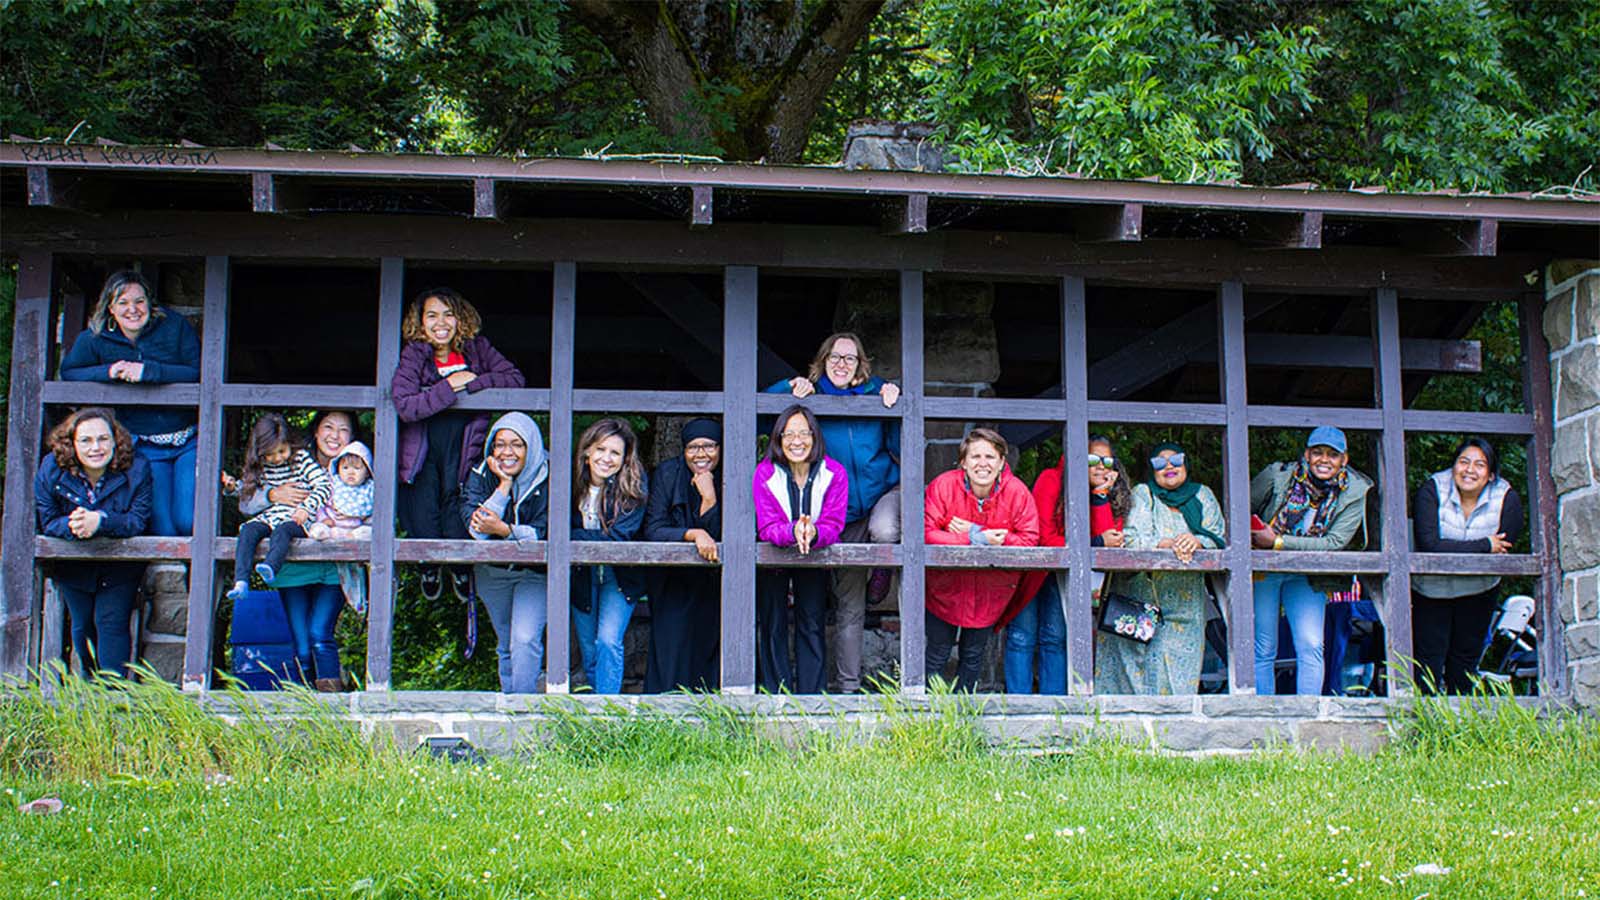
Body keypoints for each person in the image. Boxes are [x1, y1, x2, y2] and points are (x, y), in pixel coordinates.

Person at [767, 332, 901, 693]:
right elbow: (768, 415)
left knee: (886, 532)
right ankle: (848, 688)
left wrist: (895, 398)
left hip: (880, 496)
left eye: (850, 358)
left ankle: (883, 567)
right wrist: (788, 385)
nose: (842, 364)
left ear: (860, 364)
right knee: (849, 606)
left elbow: (900, 445)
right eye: (835, 358)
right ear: (823, 360)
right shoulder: (811, 396)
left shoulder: (876, 394)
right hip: (837, 513)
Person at [393, 287, 525, 604]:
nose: (441, 322)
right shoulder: (414, 353)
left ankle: (461, 568)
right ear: (420, 322)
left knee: (456, 503)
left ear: (460, 318)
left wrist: (473, 380)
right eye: (432, 315)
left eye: (448, 314)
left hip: (463, 444)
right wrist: (449, 386)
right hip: (422, 447)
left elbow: (514, 380)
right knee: (423, 507)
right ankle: (429, 564)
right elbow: (406, 405)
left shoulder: (477, 349)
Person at [59, 270, 201, 537]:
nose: (132, 309)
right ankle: (175, 575)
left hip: (187, 439)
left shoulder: (174, 325)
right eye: (122, 303)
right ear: (110, 308)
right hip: (143, 443)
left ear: (150, 303)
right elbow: (70, 372)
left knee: (187, 519)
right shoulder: (96, 337)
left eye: (139, 301)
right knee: (164, 527)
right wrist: (109, 371)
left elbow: (198, 371)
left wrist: (149, 371)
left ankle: (201, 575)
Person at [238, 410, 364, 690]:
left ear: (352, 437)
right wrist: (273, 494)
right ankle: (305, 702)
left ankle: (331, 700)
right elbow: (245, 502)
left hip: (335, 567)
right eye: (328, 427)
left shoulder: (361, 469)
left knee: (320, 634)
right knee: (302, 644)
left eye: (343, 430)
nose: (335, 435)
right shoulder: (289, 458)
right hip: (292, 565)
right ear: (316, 431)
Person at [1000, 434, 1131, 694]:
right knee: (1021, 637)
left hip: (1067, 576)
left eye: (1107, 460)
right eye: (1093, 458)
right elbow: (1044, 537)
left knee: (1056, 639)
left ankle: (1054, 709)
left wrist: (1100, 495)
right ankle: (1017, 705)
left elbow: (1109, 542)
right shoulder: (1051, 479)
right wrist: (1095, 541)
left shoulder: (1104, 493)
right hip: (1034, 571)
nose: (1100, 465)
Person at [1250, 426, 1373, 696]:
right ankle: (1261, 715)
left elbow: (1334, 543)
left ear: (1344, 460)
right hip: (1265, 569)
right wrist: (1255, 535)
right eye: (1318, 453)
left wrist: (1278, 542)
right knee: (1263, 645)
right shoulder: (1278, 476)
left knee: (1311, 644)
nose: (1324, 460)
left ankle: (1309, 716)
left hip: (1309, 575)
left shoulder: (1354, 492)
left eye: (1333, 455)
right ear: (1306, 454)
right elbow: (1241, 507)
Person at [1096, 442, 1226, 696]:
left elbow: (1219, 536)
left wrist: (1197, 540)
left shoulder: (1203, 495)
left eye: (1176, 460)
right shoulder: (1144, 494)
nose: (1169, 466)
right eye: (1159, 462)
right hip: (1140, 597)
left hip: (1185, 604)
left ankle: (1172, 731)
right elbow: (1132, 538)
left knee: (1179, 673)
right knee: (1134, 672)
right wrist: (1166, 544)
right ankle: (1128, 733)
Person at [34, 408, 153, 677]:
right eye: (86, 440)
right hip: (73, 563)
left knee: (110, 622)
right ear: (72, 444)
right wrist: (73, 524)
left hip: (119, 563)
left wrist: (101, 521)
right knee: (82, 624)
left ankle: (114, 694)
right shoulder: (51, 468)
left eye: (103, 439)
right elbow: (48, 520)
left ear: (116, 441)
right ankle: (92, 691)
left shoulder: (137, 468)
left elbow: (137, 520)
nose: (95, 448)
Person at [922, 428, 1040, 691]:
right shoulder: (943, 486)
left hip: (991, 591)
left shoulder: (1017, 493)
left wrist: (987, 535)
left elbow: (1030, 540)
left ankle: (964, 715)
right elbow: (927, 534)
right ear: (963, 462)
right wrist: (978, 538)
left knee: (973, 657)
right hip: (945, 588)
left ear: (1001, 463)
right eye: (975, 456)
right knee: (937, 653)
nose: (982, 463)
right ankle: (929, 716)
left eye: (990, 456)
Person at [1412, 437, 1525, 694]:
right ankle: (1423, 726)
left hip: (1479, 589)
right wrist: (1485, 545)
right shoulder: (1432, 489)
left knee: (1464, 664)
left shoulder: (1506, 497)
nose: (1469, 470)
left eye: (1479, 464)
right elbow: (1429, 544)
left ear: (1491, 474)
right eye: (1463, 462)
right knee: (1427, 663)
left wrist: (1453, 548)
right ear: (1454, 466)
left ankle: (1460, 725)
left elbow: (1504, 550)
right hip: (1431, 590)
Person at [753, 404, 849, 694]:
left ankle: (811, 695)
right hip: (774, 557)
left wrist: (815, 531)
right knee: (772, 624)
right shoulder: (765, 473)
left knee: (812, 623)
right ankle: (775, 694)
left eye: (804, 433)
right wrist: (793, 530)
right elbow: (766, 526)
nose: (797, 441)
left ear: (815, 436)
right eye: (789, 434)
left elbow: (835, 522)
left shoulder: (834, 473)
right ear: (778, 439)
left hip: (815, 556)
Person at [460, 412, 549, 694]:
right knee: (507, 642)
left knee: (524, 638)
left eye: (517, 444)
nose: (507, 452)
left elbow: (545, 531)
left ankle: (523, 710)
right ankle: (509, 706)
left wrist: (504, 530)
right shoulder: (481, 474)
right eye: (499, 444)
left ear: (531, 446)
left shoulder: (551, 475)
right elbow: (477, 530)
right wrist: (503, 486)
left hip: (536, 573)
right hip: (493, 572)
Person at [643, 418, 724, 693]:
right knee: (672, 645)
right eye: (693, 447)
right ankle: (666, 714)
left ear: (721, 448)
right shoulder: (668, 474)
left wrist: (709, 500)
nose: (701, 454)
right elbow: (653, 529)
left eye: (709, 446)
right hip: (672, 581)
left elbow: (733, 533)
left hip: (715, 582)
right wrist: (694, 534)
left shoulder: (731, 475)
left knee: (710, 644)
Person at [570, 418, 650, 695]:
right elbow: (555, 531)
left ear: (625, 457)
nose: (607, 458)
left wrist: (575, 538)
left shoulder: (633, 485)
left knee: (607, 640)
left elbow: (619, 538)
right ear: (587, 452)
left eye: (615, 453)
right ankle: (596, 703)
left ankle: (608, 710)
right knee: (589, 647)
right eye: (601, 450)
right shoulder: (569, 485)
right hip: (582, 574)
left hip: (620, 575)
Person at [224, 414, 330, 604]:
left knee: (282, 531)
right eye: (270, 454)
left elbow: (323, 485)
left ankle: (271, 566)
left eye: (282, 451)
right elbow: (251, 491)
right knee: (248, 530)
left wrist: (306, 508)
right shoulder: (263, 465)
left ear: (290, 443)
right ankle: (241, 581)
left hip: (297, 518)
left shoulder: (301, 459)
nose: (277, 458)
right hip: (271, 515)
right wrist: (232, 487)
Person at [307, 441, 375, 541]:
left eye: (357, 468)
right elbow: (321, 505)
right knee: (318, 528)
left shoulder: (369, 489)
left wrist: (365, 517)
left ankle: (352, 536)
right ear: (338, 468)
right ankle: (322, 533)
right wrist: (324, 519)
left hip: (356, 529)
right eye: (345, 468)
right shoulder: (333, 485)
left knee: (368, 532)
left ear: (367, 472)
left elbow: (375, 511)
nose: (350, 472)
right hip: (333, 526)